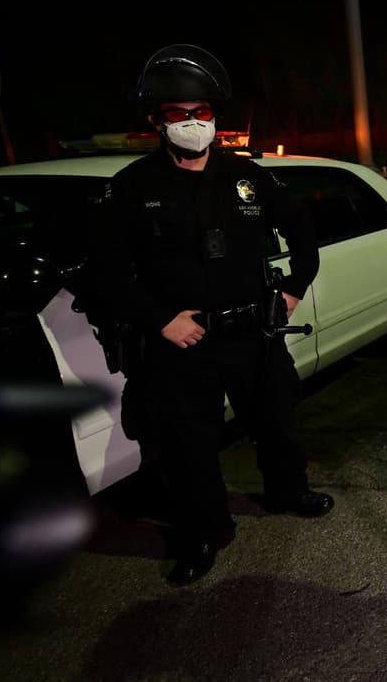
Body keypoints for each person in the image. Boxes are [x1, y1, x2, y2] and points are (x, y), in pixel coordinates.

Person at [90, 44, 333, 587]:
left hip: (254, 333)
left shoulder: (247, 176)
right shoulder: (131, 187)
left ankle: (289, 492)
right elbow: (108, 273)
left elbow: (302, 235)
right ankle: (205, 532)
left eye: (203, 112)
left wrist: (292, 291)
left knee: (276, 424)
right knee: (189, 447)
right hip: (182, 345)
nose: (195, 123)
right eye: (180, 113)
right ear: (157, 119)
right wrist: (159, 319)